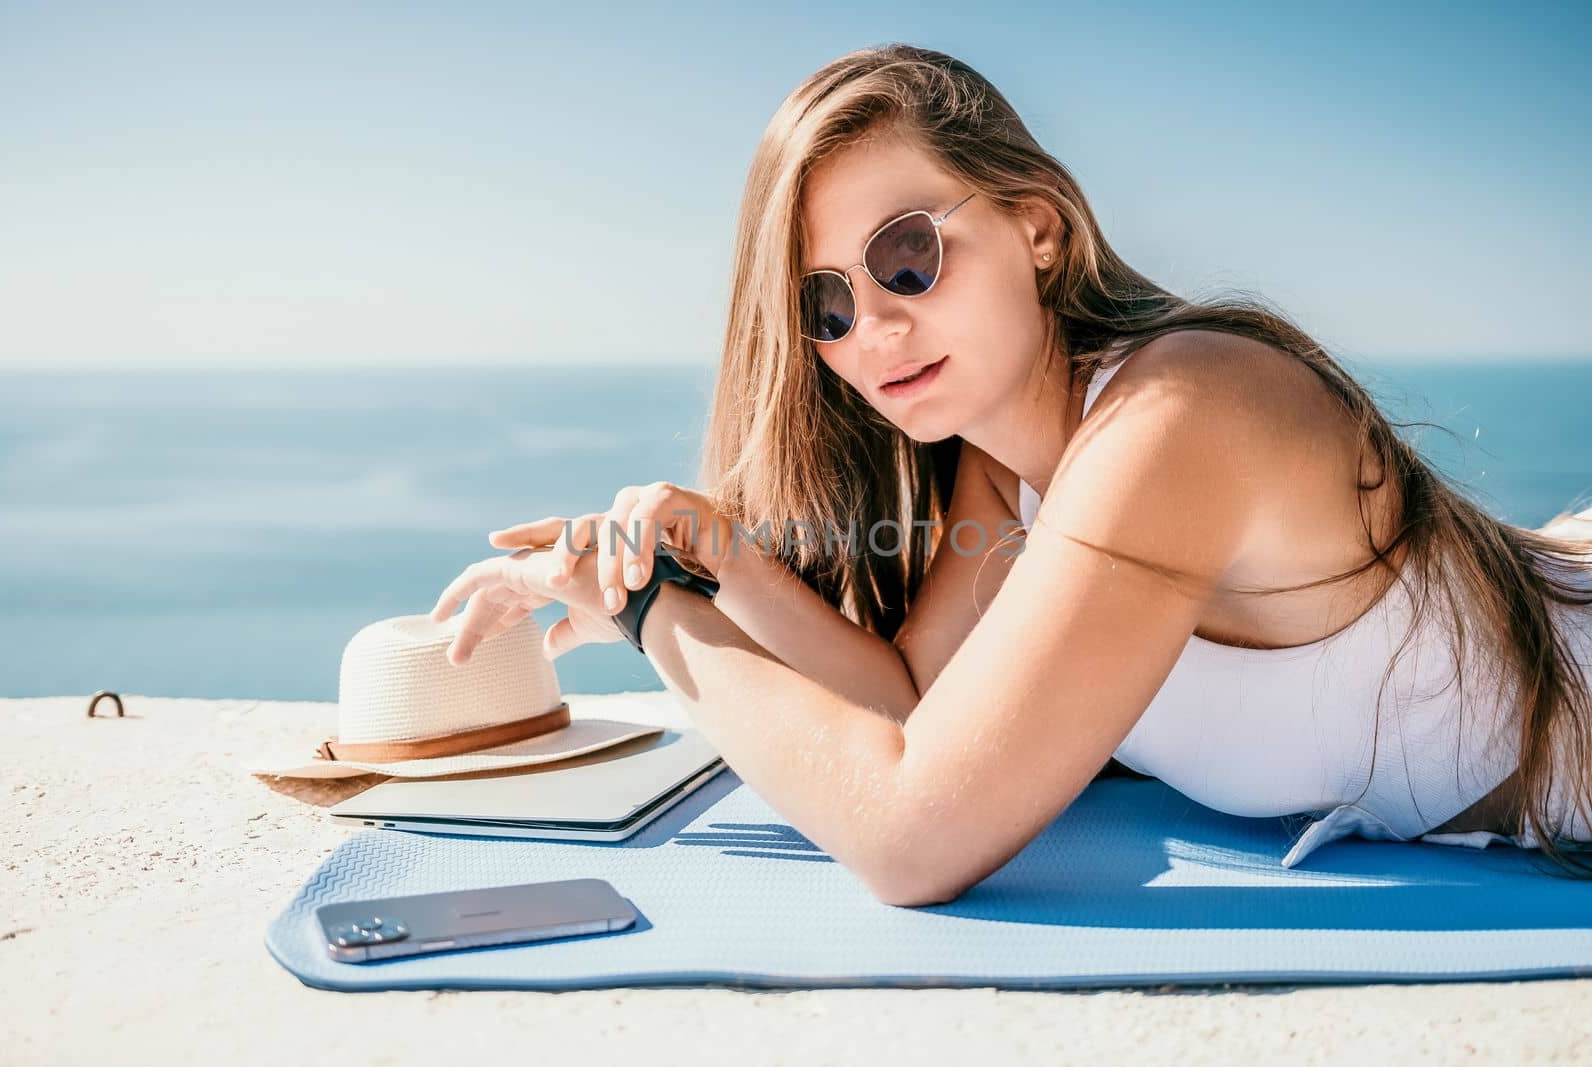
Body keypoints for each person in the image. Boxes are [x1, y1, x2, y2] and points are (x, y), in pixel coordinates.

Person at [429, 44, 1592, 906]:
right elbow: (922, 716)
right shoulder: (1007, 479)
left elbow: (911, 832)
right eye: (823, 304)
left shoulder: (1175, 415)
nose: (873, 328)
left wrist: (648, 616)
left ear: (1036, 226)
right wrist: (714, 562)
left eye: (906, 256)